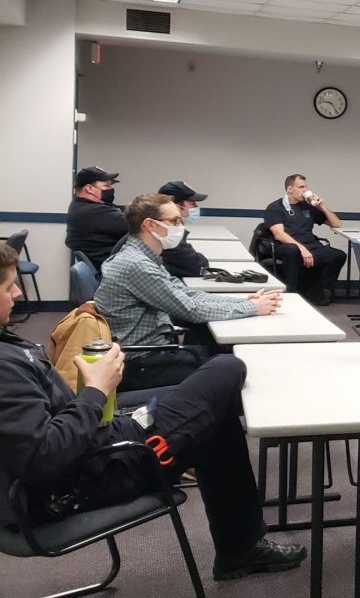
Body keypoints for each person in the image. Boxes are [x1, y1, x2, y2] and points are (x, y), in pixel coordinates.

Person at [0, 243, 307, 581]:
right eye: (8, 286)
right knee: (226, 368)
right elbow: (42, 457)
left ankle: (241, 547)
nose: (18, 293)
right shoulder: (4, 367)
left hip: (94, 446)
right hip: (95, 472)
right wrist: (96, 391)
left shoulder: (8, 347)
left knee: (214, 409)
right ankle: (241, 546)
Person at [95, 194, 281, 391]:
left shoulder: (143, 257)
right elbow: (190, 309)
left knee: (222, 355)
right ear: (150, 225)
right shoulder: (137, 265)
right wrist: (251, 308)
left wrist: (243, 302)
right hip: (141, 363)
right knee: (230, 371)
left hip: (151, 352)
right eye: (174, 221)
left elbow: (187, 294)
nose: (180, 226)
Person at [262, 174, 346, 305]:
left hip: (310, 245)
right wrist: (301, 248)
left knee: (338, 255)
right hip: (285, 245)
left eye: (306, 187)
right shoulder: (275, 207)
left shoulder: (307, 207)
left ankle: (319, 292)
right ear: (290, 189)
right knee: (292, 250)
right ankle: (292, 292)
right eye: (301, 187)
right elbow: (279, 234)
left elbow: (337, 224)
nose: (305, 190)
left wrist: (321, 206)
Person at [110, 181, 210, 278]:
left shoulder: (150, 232)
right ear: (175, 206)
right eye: (192, 203)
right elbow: (197, 266)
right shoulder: (163, 235)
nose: (197, 207)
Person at [65, 166, 128, 271]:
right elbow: (134, 222)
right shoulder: (90, 211)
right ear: (89, 189)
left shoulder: (83, 205)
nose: (111, 189)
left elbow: (122, 210)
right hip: (112, 272)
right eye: (106, 186)